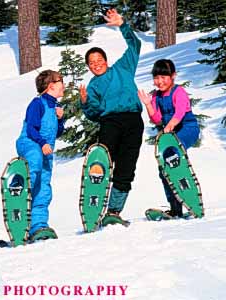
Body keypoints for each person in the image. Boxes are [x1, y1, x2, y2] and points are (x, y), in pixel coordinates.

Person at [79, 9, 143, 225]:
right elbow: (95, 115)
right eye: (91, 62)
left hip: (133, 120)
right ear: (88, 67)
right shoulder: (94, 86)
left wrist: (122, 25)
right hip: (110, 123)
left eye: (99, 60)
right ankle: (94, 206)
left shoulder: (123, 68)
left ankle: (114, 212)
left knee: (126, 167)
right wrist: (86, 103)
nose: (96, 64)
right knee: (103, 163)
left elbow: (135, 46)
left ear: (106, 60)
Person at [138, 59, 200, 217]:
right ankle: (175, 208)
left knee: (173, 155)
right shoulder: (156, 96)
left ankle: (192, 199)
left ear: (173, 76)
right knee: (164, 168)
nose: (159, 81)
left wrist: (169, 127)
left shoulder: (179, 92)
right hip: (170, 134)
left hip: (187, 128)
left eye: (163, 77)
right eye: (156, 78)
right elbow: (157, 119)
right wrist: (148, 104)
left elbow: (179, 113)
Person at [16, 70, 65, 241]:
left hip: (46, 151)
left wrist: (60, 119)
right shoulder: (37, 103)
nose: (63, 84)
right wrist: (42, 143)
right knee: (34, 164)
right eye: (61, 81)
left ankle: (38, 225)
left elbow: (57, 133)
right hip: (30, 143)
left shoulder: (55, 107)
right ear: (51, 85)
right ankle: (18, 187)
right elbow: (31, 129)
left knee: (43, 187)